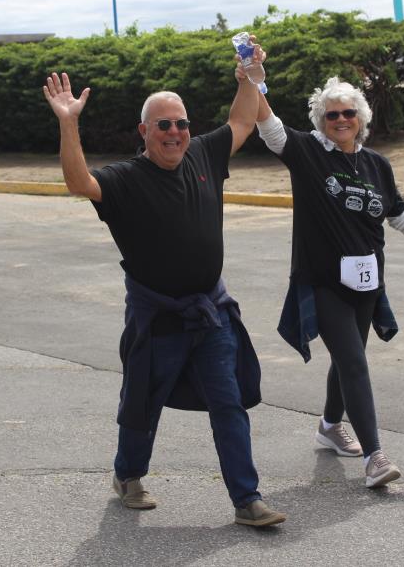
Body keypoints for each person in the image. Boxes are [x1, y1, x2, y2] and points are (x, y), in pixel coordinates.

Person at [42, 45, 286, 527]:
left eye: (181, 124)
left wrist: (248, 78)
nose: (175, 132)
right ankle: (128, 474)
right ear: (144, 132)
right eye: (163, 125)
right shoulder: (126, 179)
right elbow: (78, 183)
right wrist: (69, 123)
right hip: (158, 315)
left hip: (210, 311)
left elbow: (242, 121)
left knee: (228, 402)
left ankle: (247, 499)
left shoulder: (203, 153)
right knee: (143, 401)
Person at [250, 75, 404, 489]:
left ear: (360, 117)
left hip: (367, 282)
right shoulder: (308, 152)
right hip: (323, 281)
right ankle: (375, 457)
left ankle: (329, 426)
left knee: (349, 358)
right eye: (332, 115)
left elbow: (398, 213)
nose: (341, 120)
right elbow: (270, 128)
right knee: (353, 363)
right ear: (321, 121)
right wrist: (253, 80)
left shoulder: (377, 164)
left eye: (348, 113)